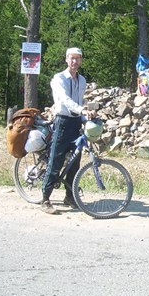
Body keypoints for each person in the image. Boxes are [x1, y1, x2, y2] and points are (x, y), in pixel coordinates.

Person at [40, 47, 96, 215]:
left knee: (74, 162)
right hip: (62, 122)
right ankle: (45, 199)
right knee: (55, 160)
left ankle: (70, 196)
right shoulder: (59, 78)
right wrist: (82, 110)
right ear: (66, 59)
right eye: (72, 58)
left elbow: (80, 100)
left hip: (76, 123)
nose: (75, 62)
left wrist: (87, 116)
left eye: (78, 58)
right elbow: (65, 100)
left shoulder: (82, 80)